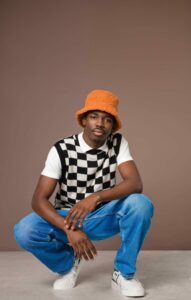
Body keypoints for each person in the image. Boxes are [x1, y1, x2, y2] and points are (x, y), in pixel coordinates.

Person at [14, 89, 154, 297]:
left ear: (112, 126)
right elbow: (38, 200)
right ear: (84, 120)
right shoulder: (62, 149)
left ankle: (123, 274)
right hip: (67, 218)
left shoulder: (117, 143)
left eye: (107, 119)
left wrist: (95, 197)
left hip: (101, 216)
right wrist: (69, 229)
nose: (100, 123)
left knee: (141, 203)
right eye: (94, 116)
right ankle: (68, 264)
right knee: (24, 230)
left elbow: (135, 183)